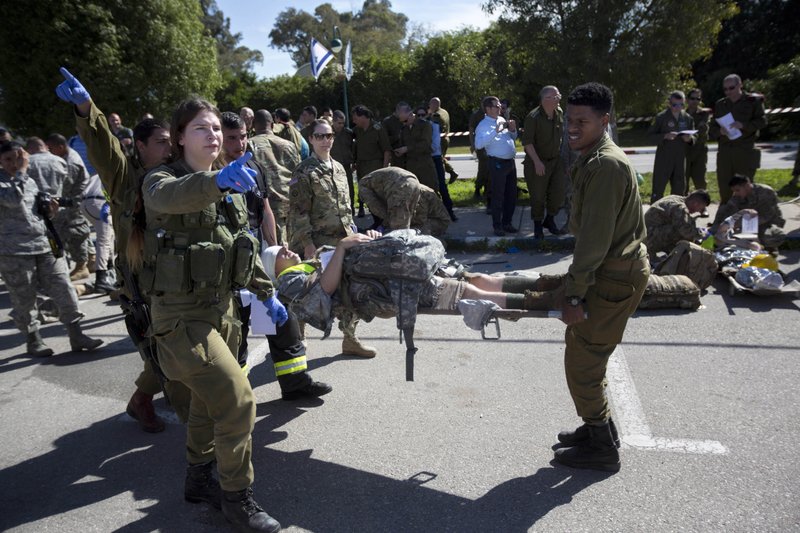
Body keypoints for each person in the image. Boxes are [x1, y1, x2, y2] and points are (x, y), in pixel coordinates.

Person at [142, 98, 285, 532]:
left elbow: (239, 242)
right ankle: (236, 497)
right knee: (239, 400)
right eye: (201, 129)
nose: (214, 135)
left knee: (208, 402)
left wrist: (265, 292)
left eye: (217, 129)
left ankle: (197, 477)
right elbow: (172, 197)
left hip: (222, 310)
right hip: (182, 318)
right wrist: (218, 180)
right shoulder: (161, 180)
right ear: (180, 137)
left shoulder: (233, 182)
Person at [55, 67, 190, 433]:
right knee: (162, 344)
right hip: (141, 278)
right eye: (160, 142)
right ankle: (146, 402)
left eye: (170, 141)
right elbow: (103, 146)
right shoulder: (123, 175)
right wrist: (87, 108)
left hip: (177, 272)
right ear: (141, 146)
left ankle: (145, 400)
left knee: (174, 341)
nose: (168, 148)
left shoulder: (178, 173)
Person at [554, 82, 650, 473]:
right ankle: (595, 428)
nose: (572, 128)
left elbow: (593, 242)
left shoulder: (605, 165)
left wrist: (573, 296)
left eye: (583, 121)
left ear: (604, 120)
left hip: (612, 274)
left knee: (583, 361)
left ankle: (602, 445)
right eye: (569, 120)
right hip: (612, 270)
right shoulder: (595, 157)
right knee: (585, 351)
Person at [220, 111, 330, 400]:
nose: (240, 143)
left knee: (280, 320)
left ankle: (295, 382)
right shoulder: (212, 174)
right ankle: (237, 397)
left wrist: (277, 247)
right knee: (238, 329)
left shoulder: (253, 166)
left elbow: (265, 209)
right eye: (232, 138)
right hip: (230, 266)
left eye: (243, 136)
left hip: (259, 259)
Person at [266, 234, 557, 332]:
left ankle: (553, 284)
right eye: (280, 254)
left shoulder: (307, 263)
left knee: (481, 279)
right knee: (471, 292)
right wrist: (342, 248)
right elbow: (324, 290)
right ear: (273, 268)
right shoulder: (287, 282)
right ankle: (550, 301)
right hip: (390, 287)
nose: (286, 250)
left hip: (398, 271)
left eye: (284, 247)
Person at [0, 142, 103, 357]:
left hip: (44, 244)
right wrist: (20, 171)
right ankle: (33, 339)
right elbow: (12, 200)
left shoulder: (28, 181)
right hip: (14, 251)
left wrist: (51, 212)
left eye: (17, 158)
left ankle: (77, 334)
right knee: (24, 297)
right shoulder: (9, 182)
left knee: (63, 287)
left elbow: (35, 214)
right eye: (8, 159)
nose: (14, 163)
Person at [288, 119, 376, 358]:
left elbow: (345, 206)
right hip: (316, 242)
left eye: (329, 136)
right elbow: (299, 210)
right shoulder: (304, 170)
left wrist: (354, 232)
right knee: (307, 289)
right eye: (320, 136)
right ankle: (299, 336)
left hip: (342, 241)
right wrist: (306, 243)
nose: (325, 140)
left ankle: (350, 338)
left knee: (350, 289)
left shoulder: (338, 168)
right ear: (311, 139)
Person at [709, 74, 767, 205]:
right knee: (724, 184)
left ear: (740, 85)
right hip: (725, 151)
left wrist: (744, 125)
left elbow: (762, 121)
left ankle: (746, 216)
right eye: (725, 89)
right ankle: (725, 215)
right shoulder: (721, 104)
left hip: (744, 150)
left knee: (744, 185)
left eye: (731, 88)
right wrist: (719, 131)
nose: (729, 91)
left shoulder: (753, 102)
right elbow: (712, 127)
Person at [45, 133, 93, 281]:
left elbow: (64, 186)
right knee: (79, 231)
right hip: (74, 200)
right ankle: (91, 258)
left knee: (75, 233)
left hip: (75, 202)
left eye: (51, 148)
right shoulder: (66, 156)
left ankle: (81, 267)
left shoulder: (70, 163)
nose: (49, 152)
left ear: (60, 147)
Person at [249, 109, 300, 245]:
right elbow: (299, 173)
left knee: (276, 252)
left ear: (253, 126)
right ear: (272, 125)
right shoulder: (289, 145)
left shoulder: (250, 145)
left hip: (267, 207)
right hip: (290, 202)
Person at [522, 85, 567, 239]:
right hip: (538, 162)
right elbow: (527, 143)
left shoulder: (559, 112)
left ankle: (550, 219)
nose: (559, 98)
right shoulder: (533, 117)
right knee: (538, 196)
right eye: (556, 96)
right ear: (546, 99)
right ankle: (537, 225)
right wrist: (537, 162)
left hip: (556, 161)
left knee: (559, 192)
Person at [474, 95, 519, 236]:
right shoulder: (483, 125)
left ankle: (507, 223)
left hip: (510, 163)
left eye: (500, 105)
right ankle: (497, 226)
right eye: (496, 106)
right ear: (488, 109)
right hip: (497, 163)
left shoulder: (501, 119)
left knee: (511, 195)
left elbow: (512, 138)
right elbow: (478, 144)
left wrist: (513, 130)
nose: (500, 108)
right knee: (498, 196)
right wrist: (495, 131)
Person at [648, 91, 696, 204]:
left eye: (681, 105)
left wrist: (689, 139)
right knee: (658, 188)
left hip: (680, 159)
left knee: (679, 190)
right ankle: (654, 216)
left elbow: (694, 137)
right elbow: (650, 136)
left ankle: (676, 215)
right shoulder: (661, 117)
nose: (678, 108)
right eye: (675, 105)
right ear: (669, 104)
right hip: (664, 158)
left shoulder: (688, 118)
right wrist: (665, 136)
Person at [712, 175, 785, 249]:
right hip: (747, 225)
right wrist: (717, 228)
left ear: (747, 186)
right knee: (724, 231)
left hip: (767, 223)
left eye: (737, 190)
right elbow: (727, 211)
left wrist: (739, 224)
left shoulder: (766, 192)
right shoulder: (737, 196)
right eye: (734, 191)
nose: (736, 193)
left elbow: (766, 216)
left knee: (773, 236)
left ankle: (769, 249)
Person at [416, 105, 456, 221]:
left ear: (428, 114)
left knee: (441, 186)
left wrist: (421, 147)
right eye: (418, 115)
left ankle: (449, 211)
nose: (421, 117)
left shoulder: (433, 126)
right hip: (423, 160)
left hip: (435, 158)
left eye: (423, 115)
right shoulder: (414, 128)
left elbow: (434, 147)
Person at [644, 190, 711, 259]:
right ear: (696, 203)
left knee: (689, 223)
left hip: (647, 233)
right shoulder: (680, 208)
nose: (698, 211)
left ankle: (672, 254)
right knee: (681, 233)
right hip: (649, 238)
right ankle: (678, 257)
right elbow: (686, 232)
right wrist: (703, 234)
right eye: (700, 208)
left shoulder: (675, 197)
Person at [352, 105, 392, 220]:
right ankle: (375, 219)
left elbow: (386, 150)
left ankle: (382, 220)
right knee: (365, 194)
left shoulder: (378, 129)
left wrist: (384, 169)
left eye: (355, 118)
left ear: (363, 117)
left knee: (378, 195)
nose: (353, 121)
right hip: (361, 166)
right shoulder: (357, 130)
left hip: (375, 166)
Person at [398, 108, 438, 190]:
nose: (404, 123)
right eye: (402, 122)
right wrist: (400, 151)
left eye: (405, 121)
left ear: (410, 115)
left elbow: (425, 144)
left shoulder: (425, 125)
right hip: (411, 165)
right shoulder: (404, 129)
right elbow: (403, 144)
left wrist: (407, 148)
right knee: (414, 192)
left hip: (424, 164)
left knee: (430, 191)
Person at [685, 89, 711, 209]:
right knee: (683, 181)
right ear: (687, 99)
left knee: (700, 181)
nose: (695, 101)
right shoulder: (682, 115)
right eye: (692, 98)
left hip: (699, 151)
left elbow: (703, 132)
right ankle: (683, 207)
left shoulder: (704, 114)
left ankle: (702, 207)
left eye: (698, 99)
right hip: (685, 152)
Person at [330, 110, 356, 214]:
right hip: (333, 167)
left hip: (346, 166)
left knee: (349, 189)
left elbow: (353, 148)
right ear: (333, 121)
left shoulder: (348, 133)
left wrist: (353, 162)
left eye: (343, 123)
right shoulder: (328, 134)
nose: (341, 125)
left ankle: (352, 209)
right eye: (339, 123)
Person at [428, 97, 458, 183]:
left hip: (439, 140)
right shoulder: (444, 112)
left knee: (439, 159)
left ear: (434, 104)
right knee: (441, 158)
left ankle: (442, 178)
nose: (429, 106)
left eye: (430, 104)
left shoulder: (437, 115)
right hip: (445, 139)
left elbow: (439, 128)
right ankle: (452, 173)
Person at [468, 104, 490, 201]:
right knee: (483, 168)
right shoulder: (476, 115)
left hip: (490, 145)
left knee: (489, 169)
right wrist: (473, 144)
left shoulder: (491, 114)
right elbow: (471, 130)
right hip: (480, 145)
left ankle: (487, 190)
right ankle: (478, 189)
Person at [382, 102, 411, 168]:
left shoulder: (408, 120)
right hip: (395, 157)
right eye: (405, 111)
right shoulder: (387, 122)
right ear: (398, 111)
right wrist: (397, 137)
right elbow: (384, 140)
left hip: (409, 158)